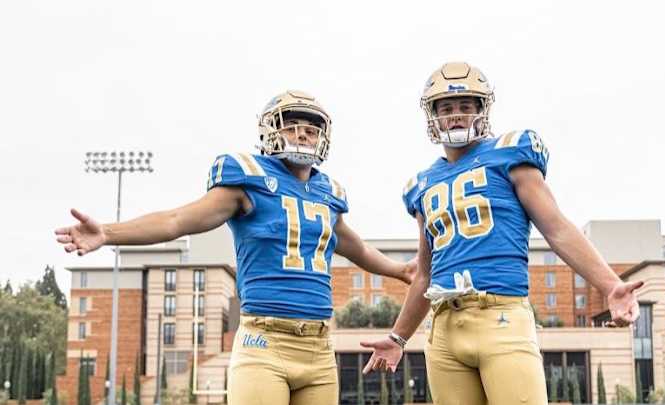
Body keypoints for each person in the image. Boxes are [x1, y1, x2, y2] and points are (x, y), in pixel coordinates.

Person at [55, 90, 416, 405]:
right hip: (265, 342)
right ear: (270, 131)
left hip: (319, 346)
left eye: (311, 127)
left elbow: (354, 247)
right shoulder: (248, 177)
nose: (302, 132)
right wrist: (108, 233)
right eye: (291, 124)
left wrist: (399, 270)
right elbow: (176, 220)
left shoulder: (328, 193)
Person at [360, 62, 643, 404]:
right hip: (444, 328)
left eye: (466, 106)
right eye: (446, 108)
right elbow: (425, 274)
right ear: (433, 117)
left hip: (502, 316)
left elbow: (556, 228)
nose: (456, 115)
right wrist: (399, 337)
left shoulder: (508, 153)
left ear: (482, 110)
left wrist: (610, 285)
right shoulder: (422, 184)